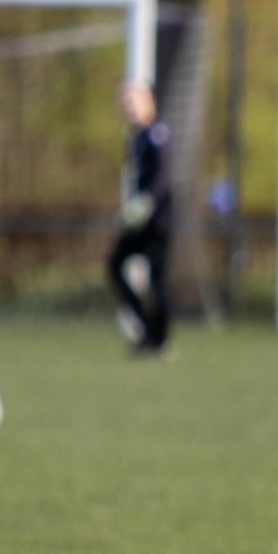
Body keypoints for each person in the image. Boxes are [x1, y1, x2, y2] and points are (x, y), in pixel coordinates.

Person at [106, 80, 173, 357]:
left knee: (156, 279)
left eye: (132, 101)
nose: (128, 107)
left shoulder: (157, 133)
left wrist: (146, 203)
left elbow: (163, 177)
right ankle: (145, 328)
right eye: (125, 103)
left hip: (158, 220)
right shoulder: (135, 136)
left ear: (148, 102)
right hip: (139, 220)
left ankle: (159, 340)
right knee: (115, 264)